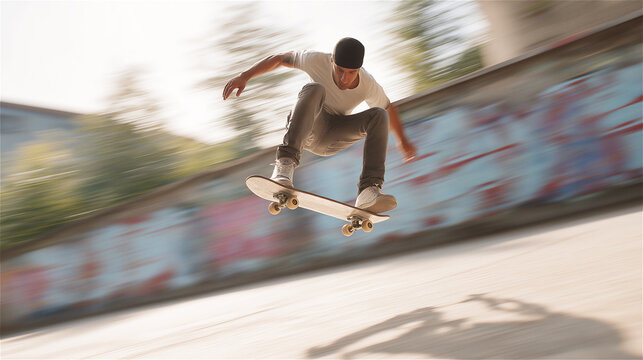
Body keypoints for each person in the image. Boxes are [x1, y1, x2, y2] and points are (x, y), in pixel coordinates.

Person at [223, 37, 417, 213]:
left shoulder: (368, 84)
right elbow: (280, 58)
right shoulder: (315, 60)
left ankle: (369, 190)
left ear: (359, 69)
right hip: (309, 128)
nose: (344, 79)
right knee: (314, 89)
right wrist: (245, 75)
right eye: (340, 70)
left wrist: (403, 141)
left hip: (333, 138)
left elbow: (389, 108)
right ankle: (284, 166)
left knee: (380, 115)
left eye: (351, 73)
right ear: (332, 60)